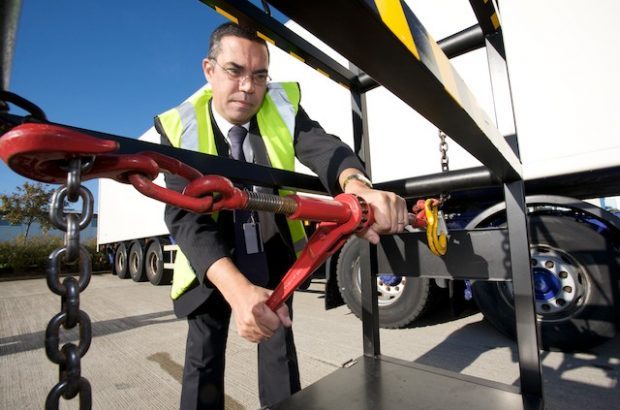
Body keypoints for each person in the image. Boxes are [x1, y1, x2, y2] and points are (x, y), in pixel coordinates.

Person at [155, 22, 408, 409]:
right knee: (203, 361)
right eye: (234, 71)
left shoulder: (280, 105)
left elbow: (324, 148)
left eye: (259, 75)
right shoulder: (179, 126)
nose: (248, 86)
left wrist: (356, 185)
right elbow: (184, 217)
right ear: (209, 70)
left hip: (270, 253)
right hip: (213, 260)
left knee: (279, 362)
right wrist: (237, 290)